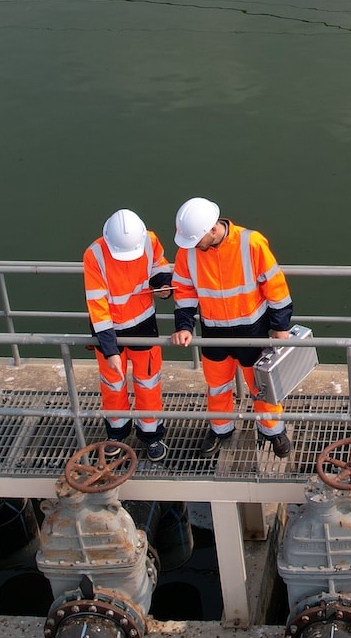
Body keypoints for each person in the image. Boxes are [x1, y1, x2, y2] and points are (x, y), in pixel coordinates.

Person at [168, 196, 293, 460]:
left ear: (213, 230)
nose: (193, 246)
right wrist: (184, 326)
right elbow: (184, 291)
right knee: (216, 386)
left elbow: (276, 288)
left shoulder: (251, 243)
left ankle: (273, 431)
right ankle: (220, 429)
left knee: (263, 386)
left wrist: (280, 329)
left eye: (196, 240)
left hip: (252, 332)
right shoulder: (188, 250)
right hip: (213, 333)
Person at [84, 209, 173, 462]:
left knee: (148, 384)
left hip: (143, 327)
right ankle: (116, 434)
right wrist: (110, 350)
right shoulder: (95, 255)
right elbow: (97, 305)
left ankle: (152, 435)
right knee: (113, 385)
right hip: (109, 332)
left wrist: (163, 285)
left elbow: (158, 266)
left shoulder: (148, 240)